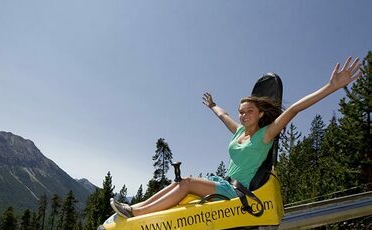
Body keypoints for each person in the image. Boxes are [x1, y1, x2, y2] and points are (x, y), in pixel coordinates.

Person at [111, 57, 363, 218]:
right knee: (179, 183)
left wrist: (331, 87)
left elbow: (295, 108)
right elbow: (223, 115)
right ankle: (137, 207)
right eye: (241, 112)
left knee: (186, 182)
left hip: (235, 192)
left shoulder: (266, 134)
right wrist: (212, 105)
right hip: (222, 181)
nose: (242, 116)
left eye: (248, 111)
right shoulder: (240, 131)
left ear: (260, 113)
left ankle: (135, 212)